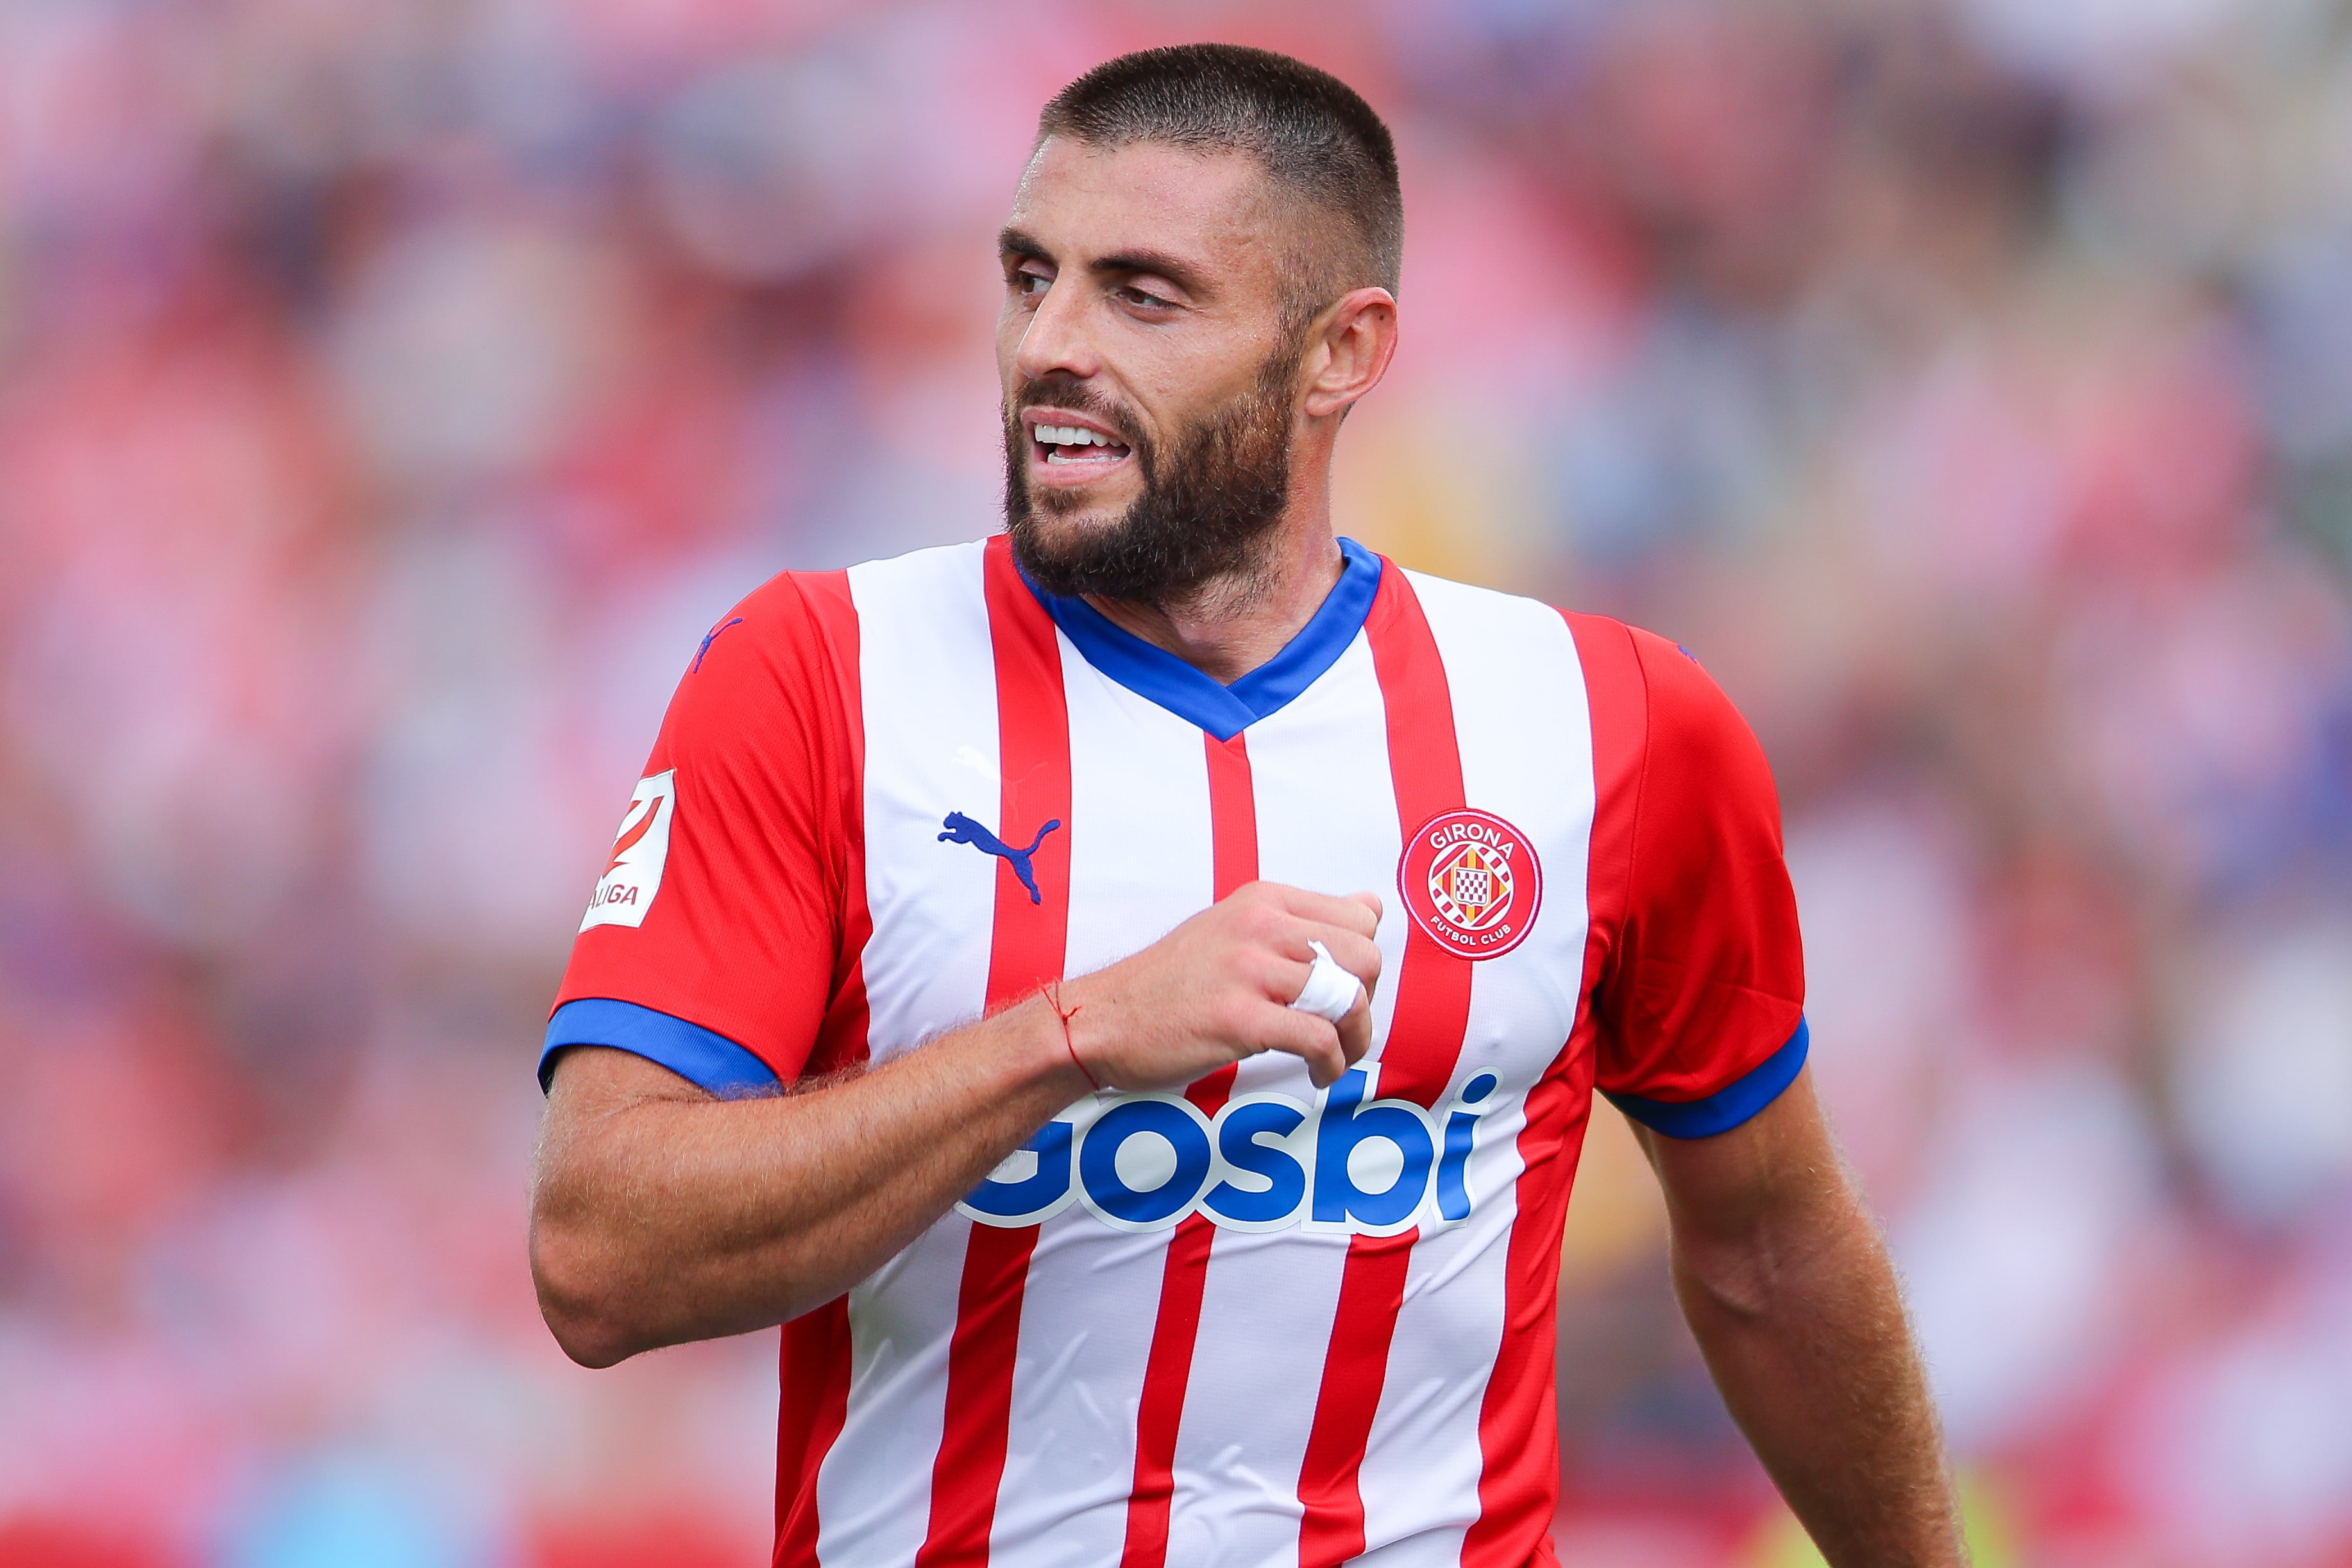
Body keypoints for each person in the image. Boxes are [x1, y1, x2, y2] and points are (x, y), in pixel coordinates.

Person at [529, 42, 1965, 1568]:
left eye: (1143, 295)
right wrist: (1066, 1038)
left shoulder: (1610, 725)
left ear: (1340, 351)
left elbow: (1767, 1249)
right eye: (1032, 278)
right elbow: (601, 1255)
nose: (1049, 347)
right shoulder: (820, 676)